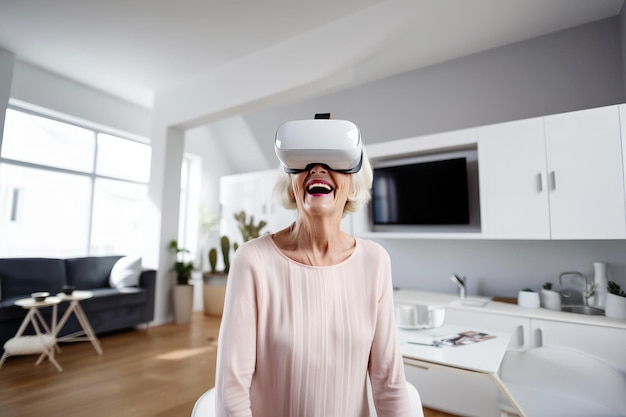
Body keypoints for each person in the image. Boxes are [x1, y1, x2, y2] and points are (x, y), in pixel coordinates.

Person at [215, 118, 411, 417]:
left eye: (332, 160)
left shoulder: (375, 261)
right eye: (305, 162)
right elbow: (231, 391)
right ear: (291, 182)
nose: (317, 169)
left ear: (353, 181)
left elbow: (389, 383)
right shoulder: (252, 260)